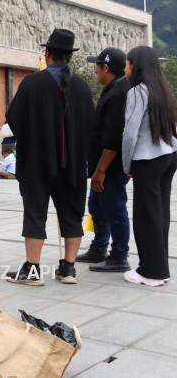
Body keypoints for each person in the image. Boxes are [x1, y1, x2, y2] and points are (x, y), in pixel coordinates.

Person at [6, 29, 94, 286]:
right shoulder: (83, 87)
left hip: (37, 161)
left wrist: (33, 137)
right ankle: (68, 269)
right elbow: (91, 127)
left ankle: (32, 270)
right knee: (72, 214)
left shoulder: (32, 83)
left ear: (47, 54)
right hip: (73, 164)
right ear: (70, 56)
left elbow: (14, 118)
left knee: (35, 213)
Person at [122, 46, 177, 287]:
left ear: (136, 65)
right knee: (160, 213)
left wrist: (126, 164)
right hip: (168, 155)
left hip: (147, 158)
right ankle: (160, 267)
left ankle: (151, 271)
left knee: (146, 216)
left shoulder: (137, 91)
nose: (125, 69)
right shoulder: (163, 90)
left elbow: (130, 134)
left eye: (127, 64)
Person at [76, 48, 132, 273]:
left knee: (114, 208)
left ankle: (119, 254)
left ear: (105, 68)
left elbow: (113, 139)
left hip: (111, 167)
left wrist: (100, 170)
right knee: (97, 206)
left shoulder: (119, 93)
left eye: (97, 67)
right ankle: (99, 247)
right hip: (103, 166)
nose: (95, 71)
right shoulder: (114, 89)